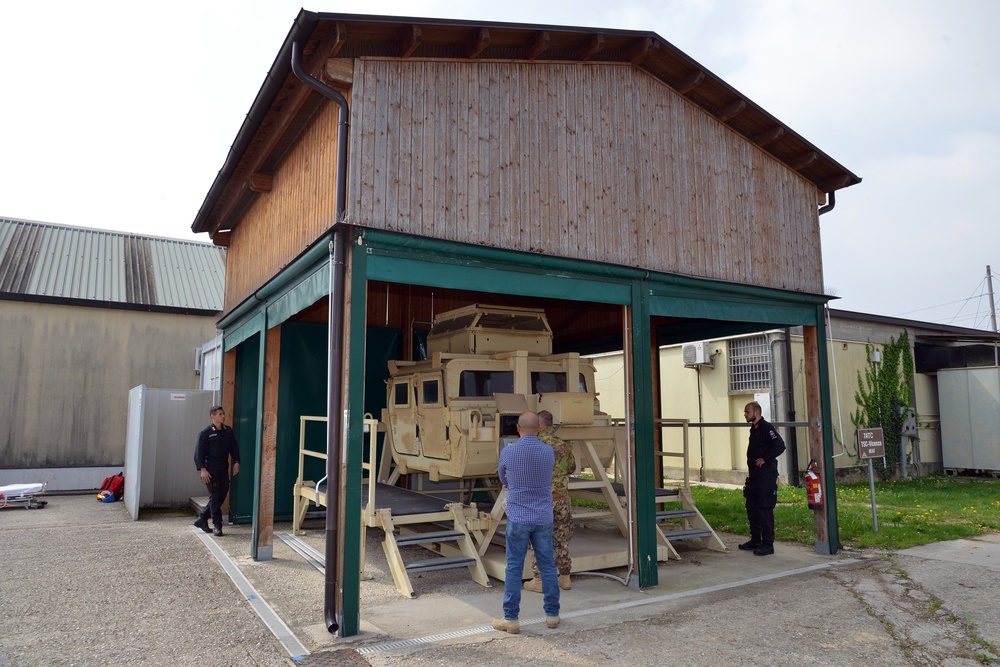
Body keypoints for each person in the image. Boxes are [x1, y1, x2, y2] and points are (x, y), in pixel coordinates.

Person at [492, 411, 560, 635]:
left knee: (514, 567)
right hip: (542, 517)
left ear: (518, 429)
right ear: (539, 428)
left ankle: (511, 619)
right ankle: (552, 615)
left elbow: (503, 478)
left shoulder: (509, 451)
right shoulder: (548, 451)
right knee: (547, 566)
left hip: (518, 517)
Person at [523, 410, 575, 593]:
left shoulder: (534, 445)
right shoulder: (563, 445)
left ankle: (539, 580)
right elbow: (571, 468)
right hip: (561, 499)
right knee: (561, 538)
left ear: (537, 426)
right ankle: (565, 577)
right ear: (552, 426)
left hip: (542, 500)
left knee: (539, 538)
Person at [739, 401, 786, 556]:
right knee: (752, 507)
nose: (745, 414)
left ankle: (768, 544)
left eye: (747, 412)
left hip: (766, 476)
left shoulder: (766, 428)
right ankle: (755, 539)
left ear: (756, 412)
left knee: (764, 508)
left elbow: (779, 445)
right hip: (754, 477)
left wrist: (765, 458)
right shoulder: (755, 429)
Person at [193, 406, 240, 537]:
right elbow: (198, 453)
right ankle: (217, 525)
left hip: (223, 468)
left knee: (222, 494)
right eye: (220, 414)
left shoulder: (228, 431)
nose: (223, 416)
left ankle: (202, 518)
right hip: (210, 470)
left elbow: (234, 447)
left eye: (223, 414)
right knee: (215, 496)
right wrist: (202, 470)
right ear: (212, 416)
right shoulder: (205, 433)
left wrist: (237, 461)